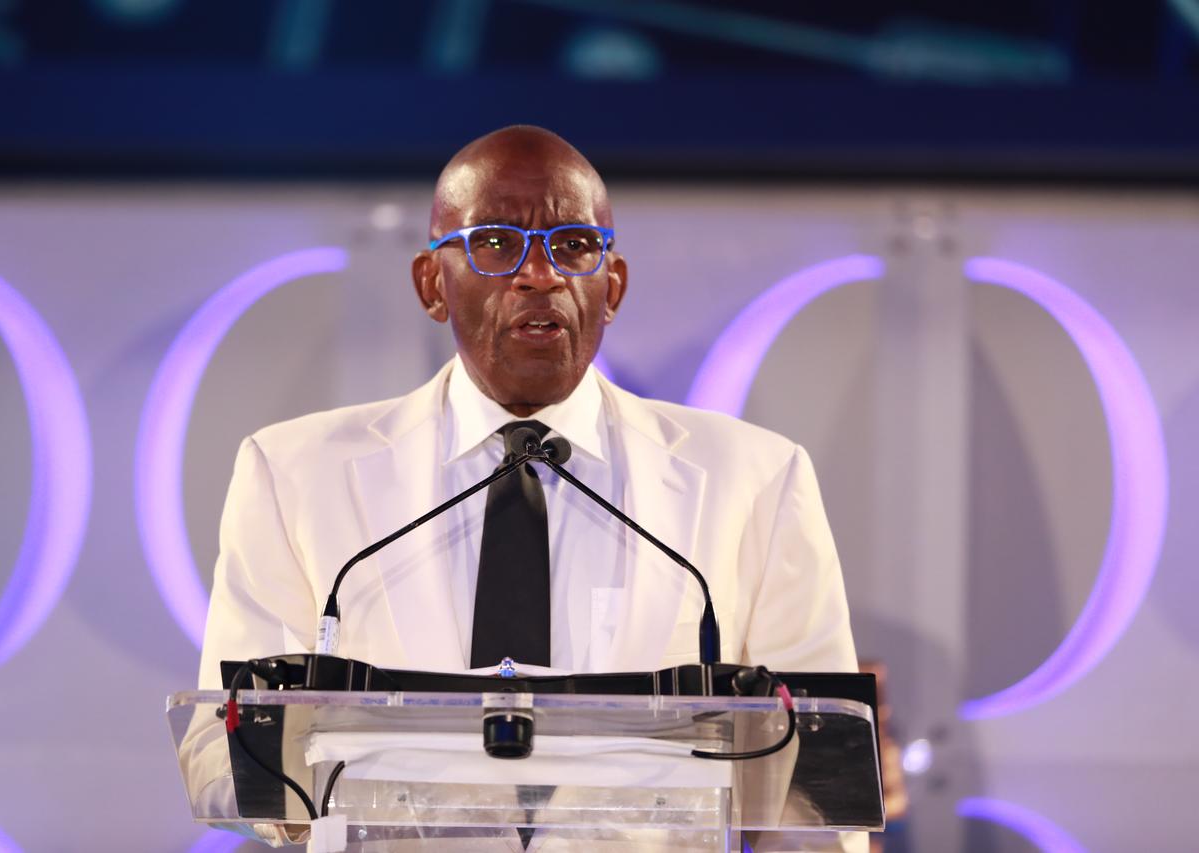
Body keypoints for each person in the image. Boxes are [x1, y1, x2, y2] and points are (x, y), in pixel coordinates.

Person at [196, 125, 861, 851]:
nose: (539, 274)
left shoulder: (756, 478)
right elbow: (218, 746)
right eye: (495, 242)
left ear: (613, 287)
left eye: (573, 245)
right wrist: (296, 791)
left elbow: (819, 784)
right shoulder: (295, 473)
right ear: (431, 283)